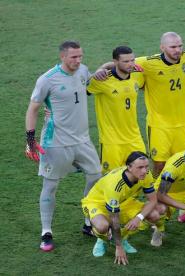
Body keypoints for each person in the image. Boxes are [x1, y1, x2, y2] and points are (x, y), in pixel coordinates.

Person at [95, 32, 185, 178]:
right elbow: (121, 63)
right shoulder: (148, 63)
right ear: (162, 47)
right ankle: (157, 192)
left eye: (180, 46)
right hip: (158, 125)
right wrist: (101, 68)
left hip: (182, 125)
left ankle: (176, 191)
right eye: (173, 47)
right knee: (159, 164)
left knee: (183, 162)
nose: (178, 50)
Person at [25, 41, 101, 252]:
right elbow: (32, 110)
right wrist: (30, 141)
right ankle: (46, 232)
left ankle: (88, 222)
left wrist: (103, 70)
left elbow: (87, 82)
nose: (78, 61)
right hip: (55, 142)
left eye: (80, 56)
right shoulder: (47, 80)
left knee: (96, 175)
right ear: (62, 57)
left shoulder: (83, 71)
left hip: (83, 140)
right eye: (73, 57)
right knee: (51, 185)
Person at [81, 151, 164, 265]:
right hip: (96, 203)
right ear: (129, 167)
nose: (144, 171)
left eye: (146, 167)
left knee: (154, 215)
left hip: (124, 202)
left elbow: (153, 200)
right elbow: (115, 219)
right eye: (140, 167)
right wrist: (119, 248)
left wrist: (138, 218)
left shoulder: (146, 174)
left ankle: (123, 238)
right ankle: (102, 239)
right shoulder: (115, 185)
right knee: (102, 226)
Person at [87, 46, 146, 174]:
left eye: (132, 60)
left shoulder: (137, 74)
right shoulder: (102, 80)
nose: (130, 64)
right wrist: (99, 70)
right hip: (111, 141)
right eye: (126, 61)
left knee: (140, 174)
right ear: (115, 62)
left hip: (134, 137)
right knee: (112, 179)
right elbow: (80, 90)